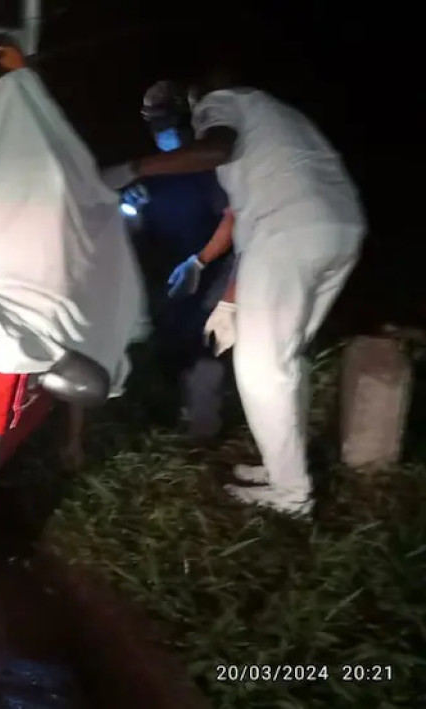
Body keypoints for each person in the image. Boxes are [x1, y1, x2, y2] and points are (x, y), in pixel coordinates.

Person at [103, 69, 366, 516]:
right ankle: (283, 468)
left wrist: (133, 167)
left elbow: (218, 150)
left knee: (261, 369)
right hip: (338, 228)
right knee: (287, 358)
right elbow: (242, 218)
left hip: (289, 231)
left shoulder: (220, 102)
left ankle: (291, 495)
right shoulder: (276, 117)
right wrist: (217, 285)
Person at [123, 80, 236, 443]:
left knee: (203, 344)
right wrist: (132, 208)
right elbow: (137, 227)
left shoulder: (211, 168)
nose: (164, 131)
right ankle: (180, 416)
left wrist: (202, 263)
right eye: (156, 123)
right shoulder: (153, 171)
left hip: (210, 268)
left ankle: (204, 431)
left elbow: (232, 218)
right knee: (170, 345)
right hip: (167, 274)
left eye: (169, 121)